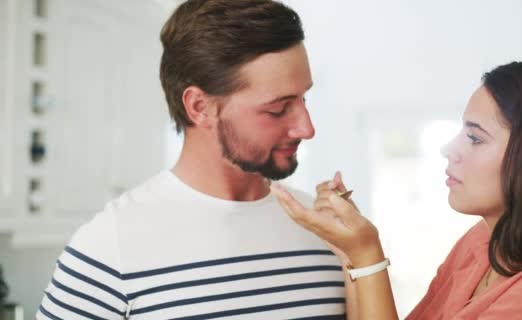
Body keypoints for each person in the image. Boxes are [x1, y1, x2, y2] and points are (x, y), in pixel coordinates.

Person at [37, 1, 346, 319]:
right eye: (277, 109)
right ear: (200, 107)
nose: (306, 128)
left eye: (303, 98)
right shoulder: (107, 249)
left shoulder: (330, 235)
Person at [273, 61, 522, 319]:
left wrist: (367, 254)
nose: (449, 149)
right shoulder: (483, 240)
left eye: (475, 138)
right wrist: (349, 252)